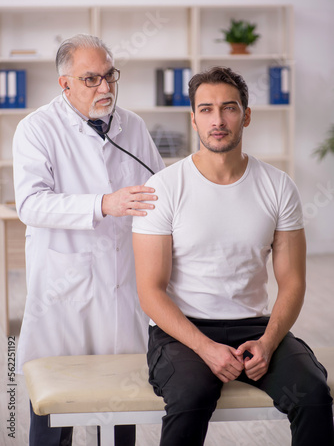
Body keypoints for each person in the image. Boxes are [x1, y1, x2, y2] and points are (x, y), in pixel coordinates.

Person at [132, 66, 334, 446]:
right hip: (182, 333)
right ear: (193, 118)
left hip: (256, 329)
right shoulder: (163, 189)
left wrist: (269, 342)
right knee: (192, 397)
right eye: (206, 109)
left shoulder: (278, 186)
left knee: (313, 394)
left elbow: (293, 281)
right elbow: (150, 291)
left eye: (229, 108)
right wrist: (206, 348)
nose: (218, 120)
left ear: (247, 115)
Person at [13, 34, 164, 446]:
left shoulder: (131, 124)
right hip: (64, 288)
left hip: (121, 283)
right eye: (91, 79)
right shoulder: (36, 128)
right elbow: (30, 204)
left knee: (118, 403)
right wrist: (103, 204)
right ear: (65, 84)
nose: (105, 88)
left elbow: (158, 186)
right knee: (54, 405)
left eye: (110, 77)